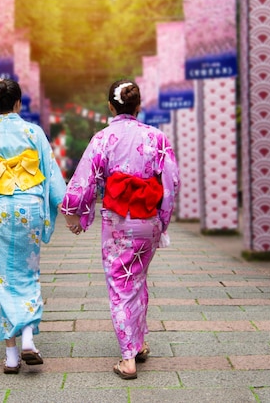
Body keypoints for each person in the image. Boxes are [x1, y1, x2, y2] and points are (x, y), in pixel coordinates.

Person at [61, 79, 180, 379]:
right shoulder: (158, 138)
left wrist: (73, 212)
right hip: (148, 220)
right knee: (137, 280)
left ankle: (127, 358)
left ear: (111, 106)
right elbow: (172, 181)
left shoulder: (103, 138)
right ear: (138, 106)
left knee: (121, 286)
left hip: (119, 222)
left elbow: (86, 177)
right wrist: (162, 220)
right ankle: (138, 344)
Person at [0, 77, 66, 374]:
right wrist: (69, 210)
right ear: (18, 103)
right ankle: (28, 337)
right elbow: (51, 173)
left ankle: (11, 357)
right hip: (30, 208)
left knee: (3, 280)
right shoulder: (34, 132)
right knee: (28, 273)